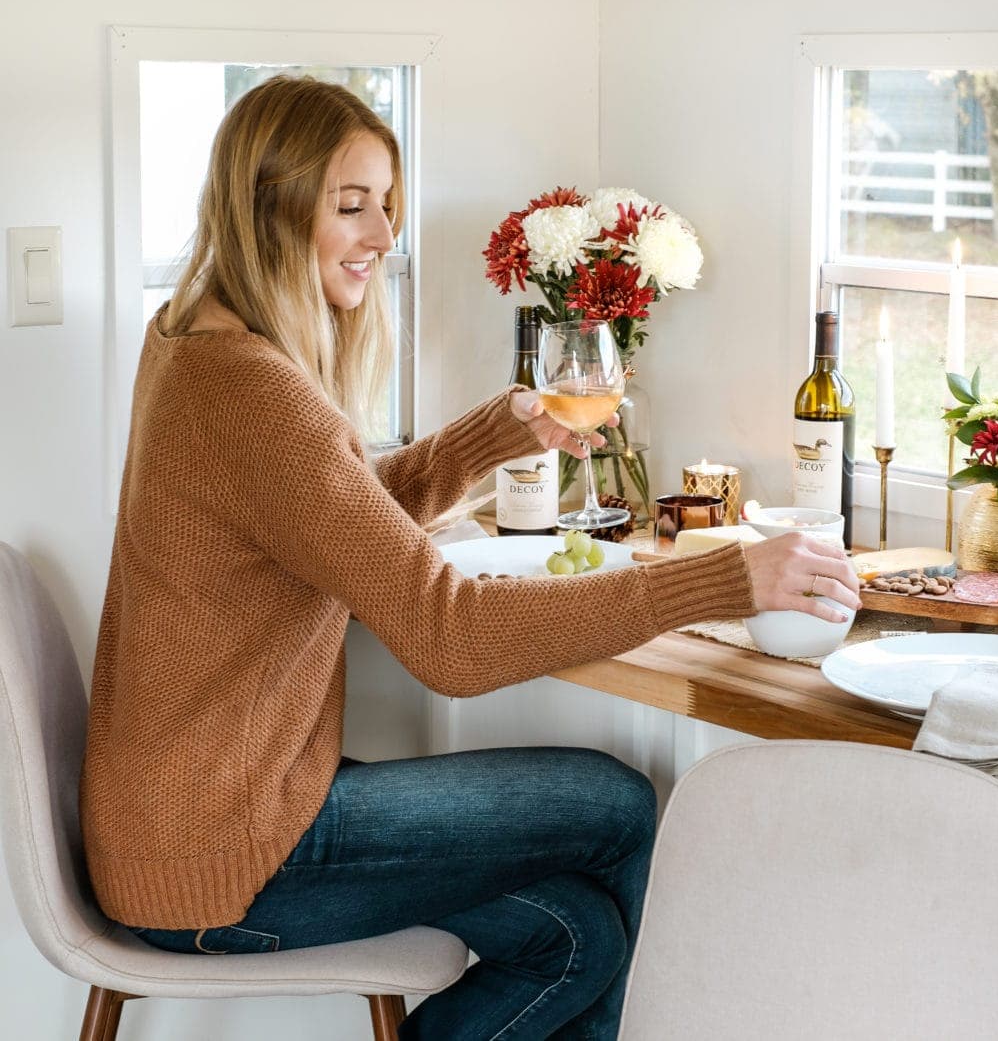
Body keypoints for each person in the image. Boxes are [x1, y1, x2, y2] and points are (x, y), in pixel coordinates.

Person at [80, 76, 861, 1040]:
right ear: (269, 205)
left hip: (191, 826)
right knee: (615, 803)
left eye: (388, 208)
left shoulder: (193, 339)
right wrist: (725, 578)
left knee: (576, 935)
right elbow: (451, 637)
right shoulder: (252, 390)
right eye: (351, 205)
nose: (381, 236)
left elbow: (330, 523)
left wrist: (494, 437)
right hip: (223, 855)